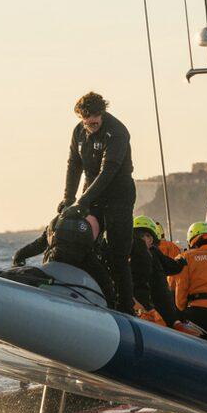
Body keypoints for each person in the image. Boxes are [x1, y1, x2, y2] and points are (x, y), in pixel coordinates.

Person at [60, 91, 136, 315]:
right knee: (79, 240)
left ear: (102, 113)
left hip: (118, 195)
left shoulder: (117, 132)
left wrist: (83, 201)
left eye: (95, 117)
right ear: (81, 117)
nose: (91, 123)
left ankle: (126, 308)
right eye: (87, 119)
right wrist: (68, 199)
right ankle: (86, 294)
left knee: (117, 253)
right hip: (92, 194)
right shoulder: (79, 132)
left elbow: (108, 171)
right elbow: (74, 165)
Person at [12, 209, 115, 308]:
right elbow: (104, 280)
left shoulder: (57, 224)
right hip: (71, 280)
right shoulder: (88, 246)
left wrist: (19, 257)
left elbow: (37, 245)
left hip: (56, 278)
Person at [131, 215, 183, 325]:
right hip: (148, 312)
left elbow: (171, 266)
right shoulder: (152, 254)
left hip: (153, 312)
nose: (147, 239)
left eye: (149, 236)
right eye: (142, 236)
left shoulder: (125, 254)